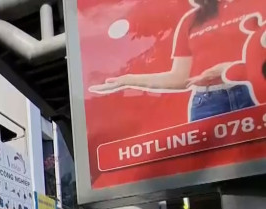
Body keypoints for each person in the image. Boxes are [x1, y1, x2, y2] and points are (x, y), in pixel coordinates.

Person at [92, 0, 262, 122]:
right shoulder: (191, 20)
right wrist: (127, 81)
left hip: (254, 94)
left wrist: (231, 69)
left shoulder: (257, 4)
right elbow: (180, 78)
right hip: (208, 104)